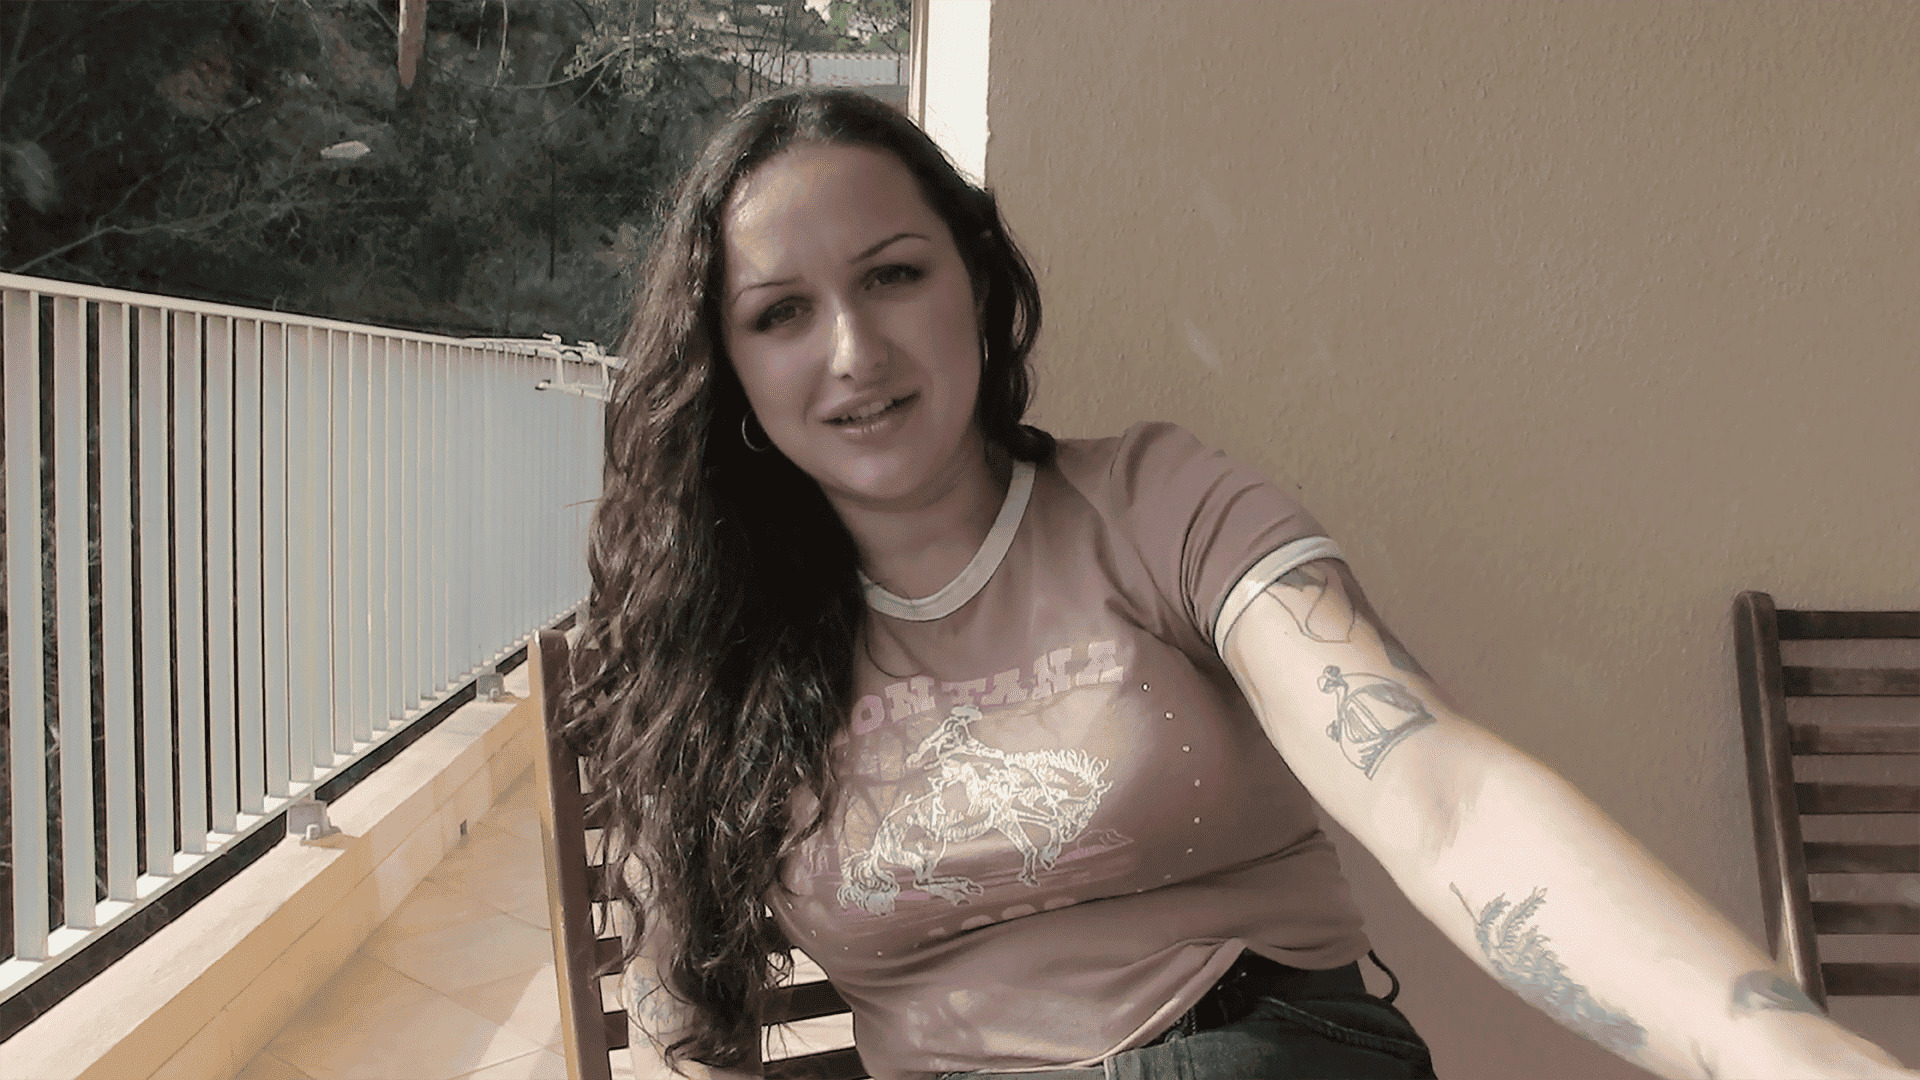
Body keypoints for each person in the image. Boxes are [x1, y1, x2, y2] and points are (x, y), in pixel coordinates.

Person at [563, 88, 1917, 1080]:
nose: (855, 352)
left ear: (972, 283)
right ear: (731, 371)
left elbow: (1439, 794)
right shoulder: (717, 650)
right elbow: (686, 1023)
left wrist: (1770, 1044)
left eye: (894, 276)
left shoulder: (1159, 508)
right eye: (781, 314)